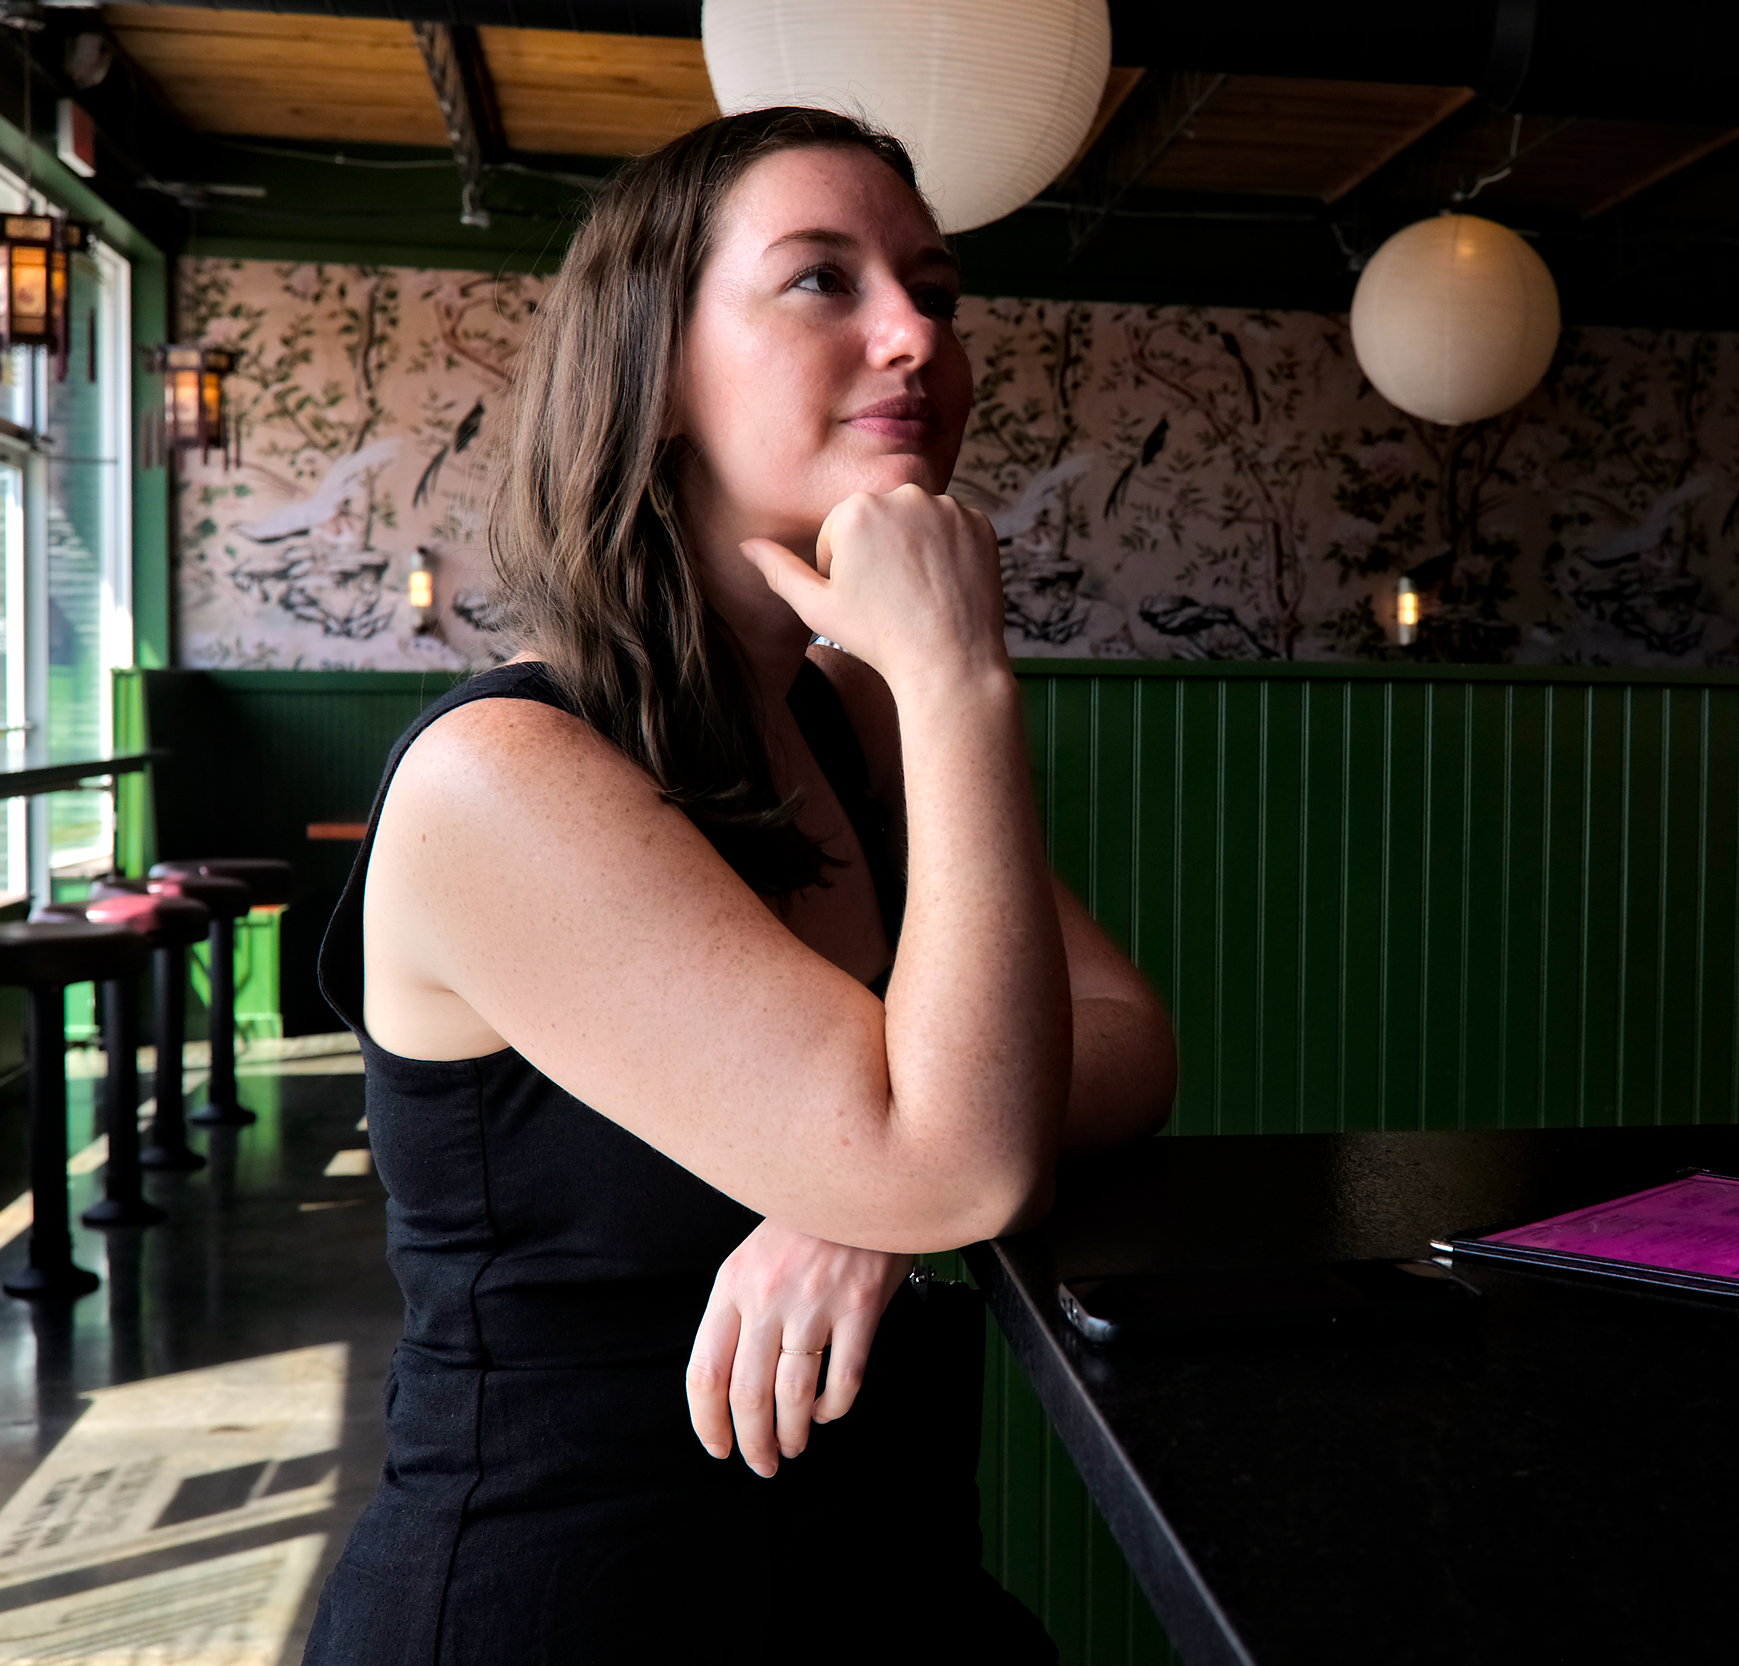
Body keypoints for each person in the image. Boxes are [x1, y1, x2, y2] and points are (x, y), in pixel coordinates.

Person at [303, 107, 1177, 1663]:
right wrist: (962, 680)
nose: (919, 333)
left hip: (881, 1588)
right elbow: (961, 1154)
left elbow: (1118, 1032)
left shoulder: (857, 714)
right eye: (823, 281)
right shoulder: (501, 776)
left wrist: (856, 1196)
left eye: (936, 288)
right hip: (570, 1607)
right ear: (654, 376)